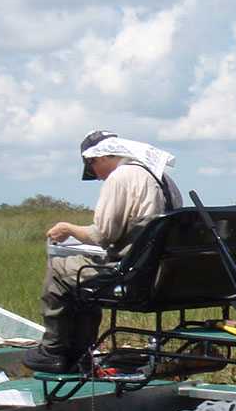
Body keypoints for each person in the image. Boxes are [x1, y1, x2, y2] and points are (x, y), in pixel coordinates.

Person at [22, 131, 181, 374]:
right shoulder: (163, 178)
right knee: (80, 273)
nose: (96, 176)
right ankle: (79, 354)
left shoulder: (121, 177)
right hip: (163, 274)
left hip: (133, 277)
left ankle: (54, 351)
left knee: (59, 268)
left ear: (102, 156)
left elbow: (102, 235)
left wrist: (68, 229)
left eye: (91, 166)